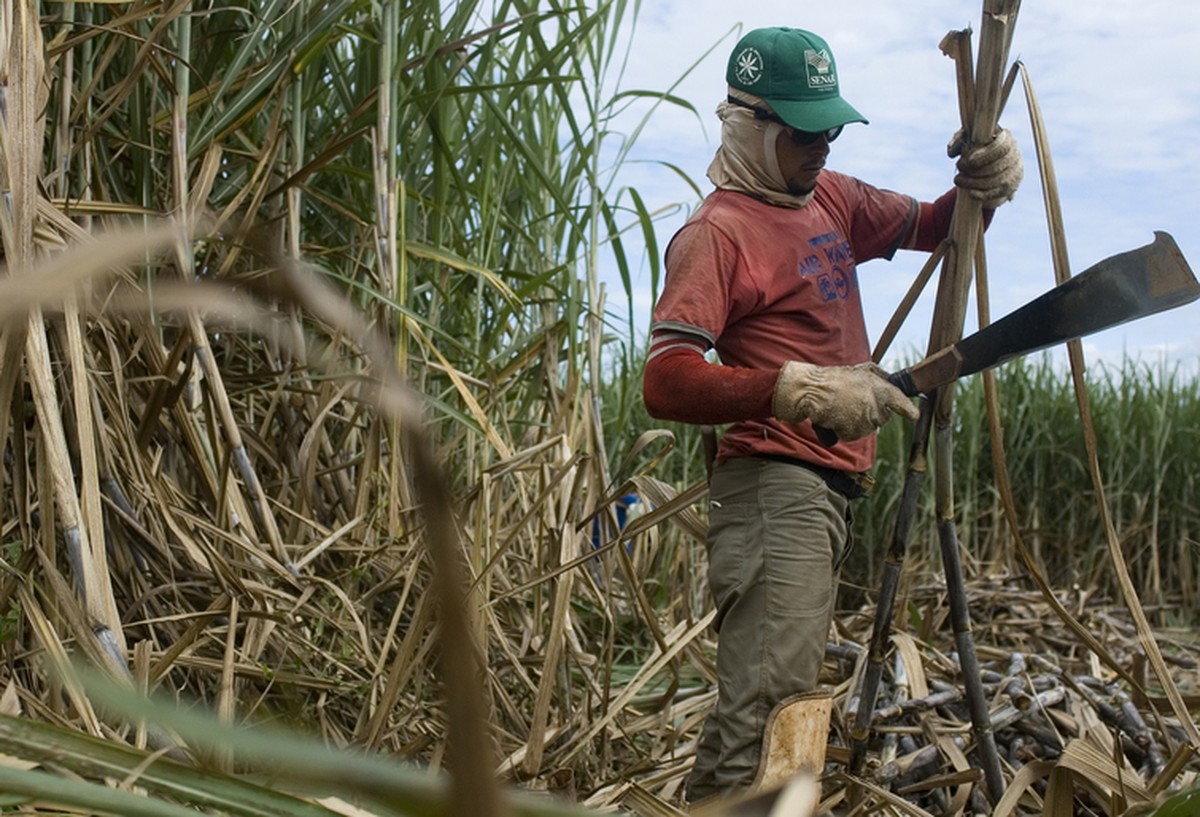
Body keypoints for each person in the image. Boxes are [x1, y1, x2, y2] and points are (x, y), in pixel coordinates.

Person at [641, 26, 1022, 802]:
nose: (821, 147)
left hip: (821, 499)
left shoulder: (832, 198)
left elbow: (938, 226)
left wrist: (989, 177)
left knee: (778, 704)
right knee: (765, 714)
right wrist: (793, 389)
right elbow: (666, 380)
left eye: (831, 130)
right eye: (804, 133)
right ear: (751, 125)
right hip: (772, 489)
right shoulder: (717, 234)